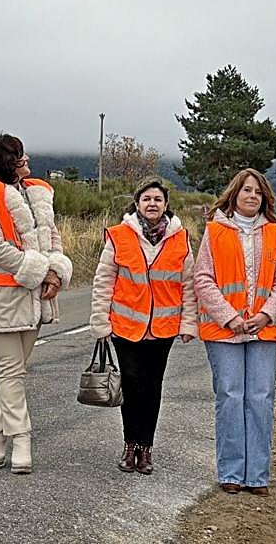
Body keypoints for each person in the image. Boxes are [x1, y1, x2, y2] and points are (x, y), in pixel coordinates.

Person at [0, 134, 72, 475]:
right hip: (0, 294)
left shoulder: (35, 193)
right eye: (19, 155)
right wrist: (36, 271)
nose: (27, 160)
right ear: (6, 160)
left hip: (35, 294)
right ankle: (21, 439)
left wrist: (55, 270)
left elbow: (52, 235)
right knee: (9, 369)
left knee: (16, 370)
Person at [193, 168, 276, 496]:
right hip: (225, 330)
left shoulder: (275, 233)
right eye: (247, 190)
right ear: (235, 194)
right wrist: (229, 317)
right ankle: (232, 473)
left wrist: (267, 314)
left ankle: (258, 475)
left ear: (265, 198)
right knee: (231, 397)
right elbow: (203, 278)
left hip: (264, 329)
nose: (252, 196)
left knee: (261, 399)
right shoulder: (215, 231)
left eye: (258, 192)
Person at [89, 177, 197, 475]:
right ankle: (130, 445)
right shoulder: (119, 235)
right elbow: (103, 281)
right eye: (147, 199)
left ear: (166, 205)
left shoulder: (180, 238)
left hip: (163, 329)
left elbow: (187, 285)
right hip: (125, 327)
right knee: (132, 385)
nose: (152, 204)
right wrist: (100, 321)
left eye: (158, 199)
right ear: (137, 203)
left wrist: (189, 323)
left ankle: (146, 449)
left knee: (152, 388)